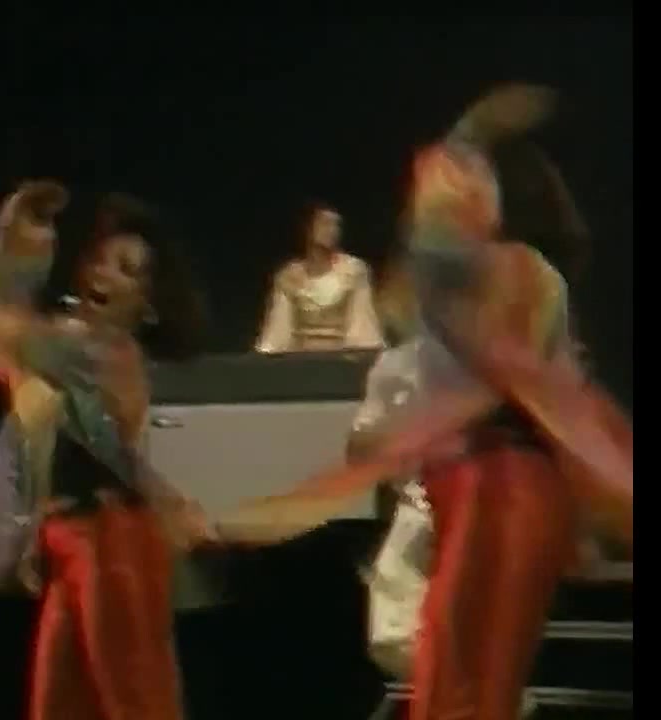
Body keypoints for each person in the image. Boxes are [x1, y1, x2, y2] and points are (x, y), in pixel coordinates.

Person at [229, 85, 632, 719]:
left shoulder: (517, 275)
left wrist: (326, 488)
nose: (432, 198)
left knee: (467, 679)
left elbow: (498, 389)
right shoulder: (466, 290)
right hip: (475, 486)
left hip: (501, 487)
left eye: (459, 182)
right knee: (461, 674)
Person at [0, 182, 208, 720]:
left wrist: (15, 240)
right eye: (99, 259)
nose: (103, 273)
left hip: (112, 542)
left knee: (137, 705)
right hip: (69, 540)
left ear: (147, 305)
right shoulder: (69, 346)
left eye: (126, 269)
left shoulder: (98, 351)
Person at [255, 203, 384, 352]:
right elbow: (278, 331)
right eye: (325, 224)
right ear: (308, 229)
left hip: (341, 355)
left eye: (336, 226)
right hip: (301, 357)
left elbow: (362, 326)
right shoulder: (289, 276)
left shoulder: (353, 271)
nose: (332, 231)